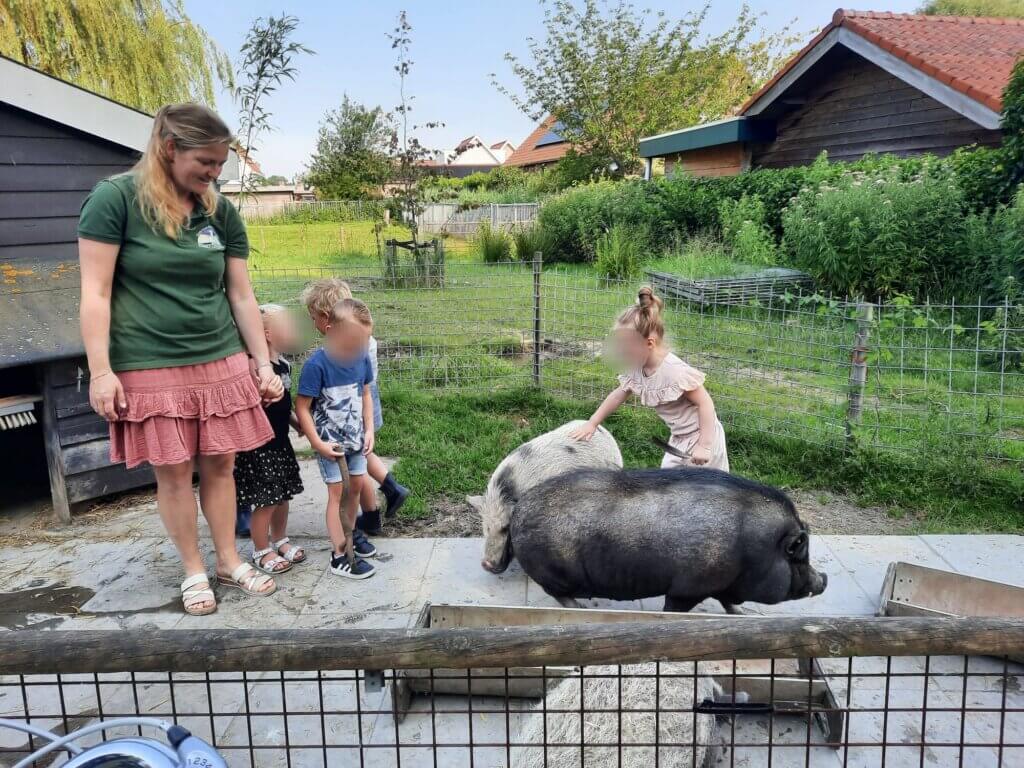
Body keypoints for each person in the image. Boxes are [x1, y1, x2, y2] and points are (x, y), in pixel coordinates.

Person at [78, 103, 284, 616]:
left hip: (219, 358)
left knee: (221, 465)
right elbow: (95, 293)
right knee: (173, 472)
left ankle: (229, 560)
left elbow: (239, 294)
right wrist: (101, 372)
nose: (214, 174)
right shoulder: (115, 200)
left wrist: (261, 363)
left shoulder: (219, 211)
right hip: (148, 362)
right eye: (206, 163)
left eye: (220, 165)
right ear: (170, 149)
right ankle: (194, 569)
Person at [570, 286, 730, 471]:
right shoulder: (637, 366)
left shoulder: (674, 371)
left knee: (708, 491)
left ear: (649, 344)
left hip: (703, 434)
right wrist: (592, 423)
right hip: (679, 438)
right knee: (668, 487)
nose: (622, 353)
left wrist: (705, 445)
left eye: (627, 348)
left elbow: (706, 404)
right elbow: (618, 395)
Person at [300, 278, 409, 534]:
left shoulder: (350, 348)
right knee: (359, 460)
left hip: (355, 405)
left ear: (327, 319)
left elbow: (360, 384)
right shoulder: (358, 338)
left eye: (313, 317)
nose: (312, 323)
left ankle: (387, 492)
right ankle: (375, 510)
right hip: (360, 401)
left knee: (358, 460)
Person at [295, 298, 379, 579]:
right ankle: (340, 554)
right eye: (353, 341)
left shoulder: (361, 359)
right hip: (330, 444)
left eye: (363, 341)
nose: (358, 348)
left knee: (355, 487)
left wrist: (369, 430)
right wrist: (317, 443)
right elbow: (302, 407)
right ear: (331, 331)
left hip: (356, 440)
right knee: (337, 493)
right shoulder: (316, 365)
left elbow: (366, 394)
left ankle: (351, 532)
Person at [233, 304, 306, 574]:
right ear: (266, 334)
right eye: (287, 327)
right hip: (260, 447)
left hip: (280, 444)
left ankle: (281, 539)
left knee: (283, 496)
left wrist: (295, 422)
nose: (293, 332)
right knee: (266, 499)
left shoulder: (284, 364)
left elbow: (282, 403)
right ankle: (261, 549)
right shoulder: (253, 367)